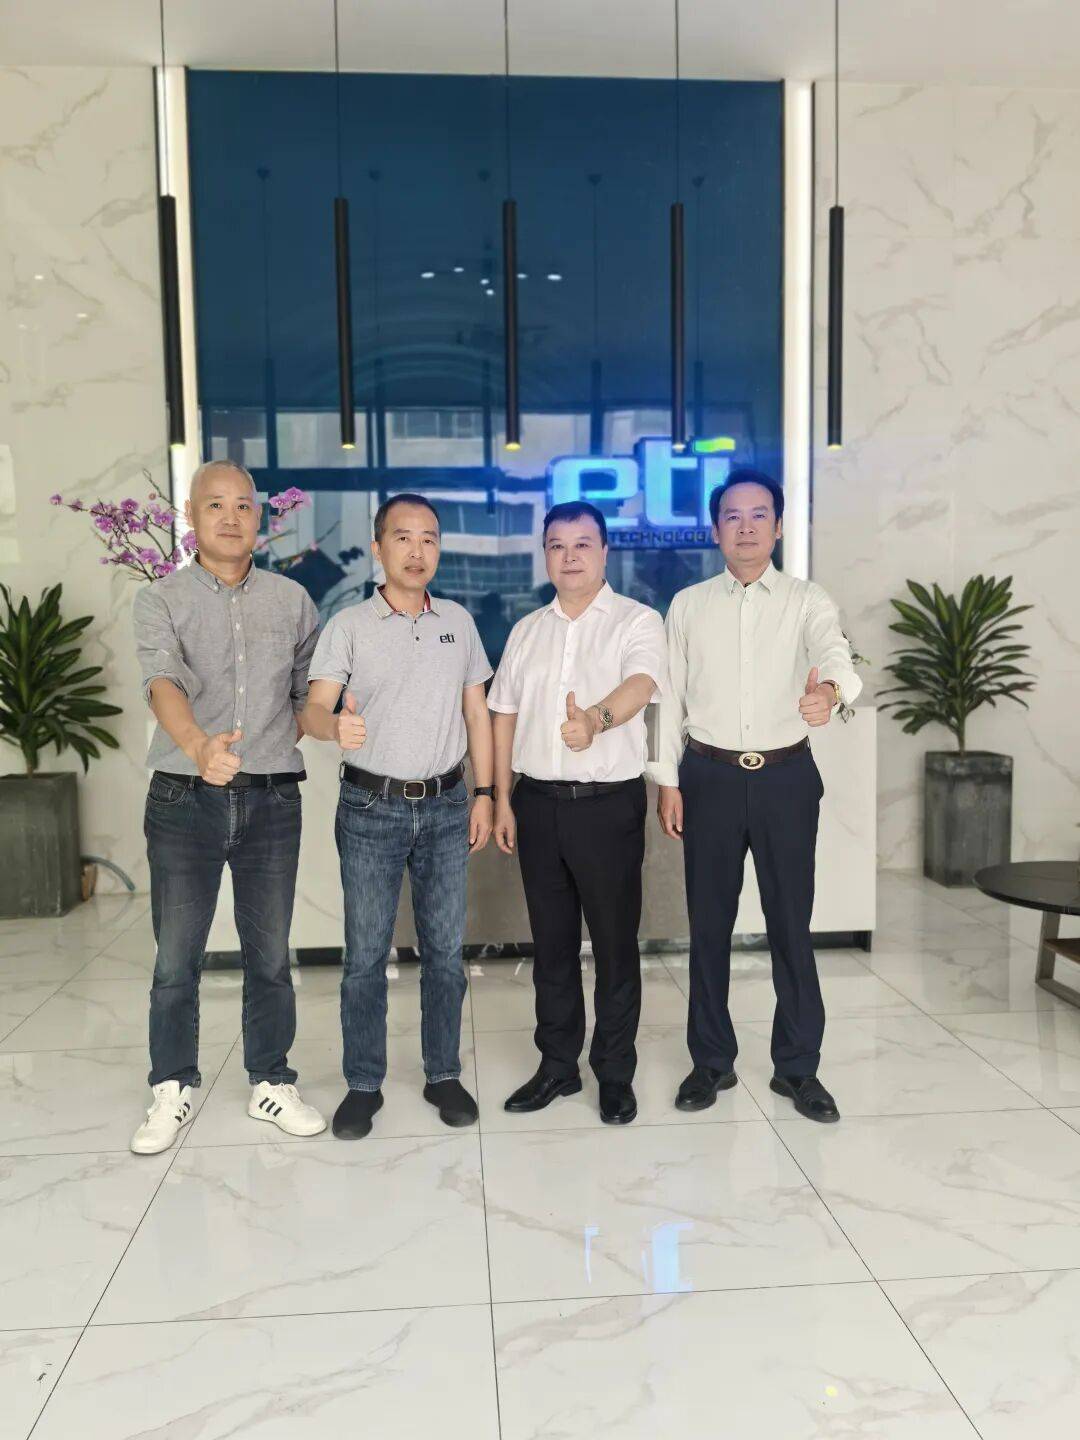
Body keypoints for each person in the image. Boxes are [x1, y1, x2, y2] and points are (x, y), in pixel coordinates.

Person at [651, 468, 861, 1124]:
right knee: (708, 927)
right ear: (716, 529)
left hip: (785, 779)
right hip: (708, 777)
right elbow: (667, 698)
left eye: (758, 514)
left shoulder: (806, 600)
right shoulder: (688, 605)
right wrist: (666, 781)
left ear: (778, 526)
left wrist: (829, 691)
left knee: (790, 926)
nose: (745, 527)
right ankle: (711, 1062)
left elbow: (834, 653)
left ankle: (798, 1068)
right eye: (732, 516)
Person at [130, 459, 326, 1155]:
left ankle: (271, 1079)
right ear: (191, 516)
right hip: (184, 797)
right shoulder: (160, 599)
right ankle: (171, 1085)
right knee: (176, 957)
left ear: (259, 517)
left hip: (272, 799)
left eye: (243, 504)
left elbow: (308, 700)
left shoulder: (293, 600)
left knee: (269, 955)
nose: (231, 516)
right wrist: (197, 746)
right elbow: (162, 681)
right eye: (215, 504)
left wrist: (338, 724)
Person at [302, 493, 494, 1139]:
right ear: (379, 547)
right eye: (403, 538)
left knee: (444, 952)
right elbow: (313, 709)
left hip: (446, 805)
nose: (417, 551)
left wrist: (486, 793)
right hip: (370, 808)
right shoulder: (349, 626)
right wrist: (335, 726)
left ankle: (443, 1073)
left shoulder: (458, 622)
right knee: (364, 955)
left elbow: (476, 713)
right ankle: (363, 1083)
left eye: (429, 539)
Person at [490, 501, 666, 1124]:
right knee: (552, 945)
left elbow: (642, 685)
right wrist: (501, 797)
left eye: (583, 544)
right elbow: (503, 715)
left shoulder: (637, 620)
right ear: (545, 554)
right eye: (557, 545)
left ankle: (614, 1074)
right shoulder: (526, 630)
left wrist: (595, 719)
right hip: (537, 804)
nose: (570, 557)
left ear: (604, 552)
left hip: (607, 806)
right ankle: (558, 1066)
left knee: (615, 945)